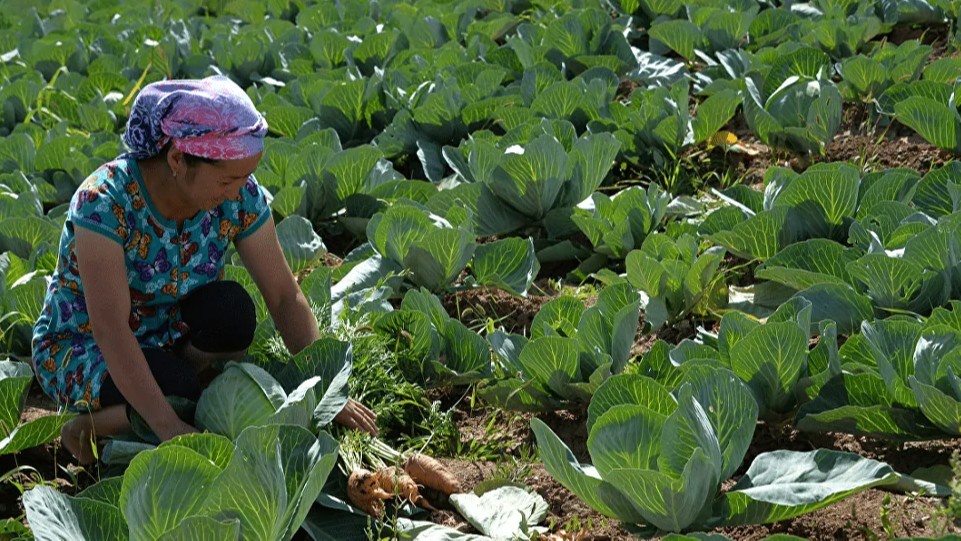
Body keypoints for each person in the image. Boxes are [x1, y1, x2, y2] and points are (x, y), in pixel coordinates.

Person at [31, 76, 377, 464]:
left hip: (166, 331)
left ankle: (177, 385)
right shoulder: (104, 202)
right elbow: (110, 328)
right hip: (85, 346)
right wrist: (168, 426)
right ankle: (86, 428)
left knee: (232, 310)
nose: (239, 191)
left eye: (245, 177)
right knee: (176, 394)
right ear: (177, 160)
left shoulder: (238, 195)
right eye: (228, 179)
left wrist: (325, 387)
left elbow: (283, 295)